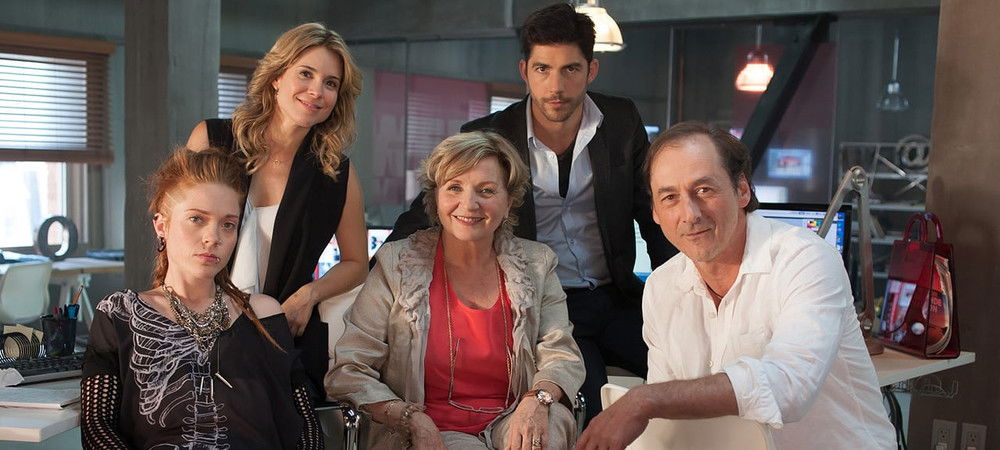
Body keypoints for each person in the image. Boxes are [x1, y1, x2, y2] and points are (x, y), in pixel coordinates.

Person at [386, 3, 674, 423]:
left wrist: (688, 286)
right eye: (543, 69)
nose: (556, 86)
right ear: (525, 71)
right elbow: (428, 215)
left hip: (616, 297)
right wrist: (377, 279)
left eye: (570, 69)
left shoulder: (620, 120)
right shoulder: (488, 136)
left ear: (591, 70)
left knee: (689, 375)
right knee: (588, 410)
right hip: (546, 306)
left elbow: (652, 215)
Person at [576, 122, 896, 449]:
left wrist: (645, 399)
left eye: (704, 190)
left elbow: (789, 387)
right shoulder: (662, 285)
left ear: (742, 190)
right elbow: (669, 423)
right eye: (670, 197)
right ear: (655, 212)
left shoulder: (805, 258)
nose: (690, 214)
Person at [328, 131, 585, 449]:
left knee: (549, 426)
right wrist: (409, 417)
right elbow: (349, 369)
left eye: (486, 190)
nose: (469, 204)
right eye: (454, 188)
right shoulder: (396, 264)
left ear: (508, 203)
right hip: (432, 430)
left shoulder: (537, 263)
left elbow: (561, 354)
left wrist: (538, 399)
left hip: (515, 419)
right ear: (436, 199)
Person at [80, 148, 322, 449]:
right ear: (161, 226)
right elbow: (97, 426)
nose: (213, 237)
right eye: (196, 219)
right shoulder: (119, 314)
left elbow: (305, 423)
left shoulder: (263, 313)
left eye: (228, 224)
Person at [186, 22, 368, 395]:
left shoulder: (335, 173)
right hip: (195, 326)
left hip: (279, 337)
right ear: (276, 76)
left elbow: (356, 263)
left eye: (330, 83)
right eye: (306, 74)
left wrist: (309, 295)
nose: (316, 91)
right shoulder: (212, 139)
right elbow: (177, 229)